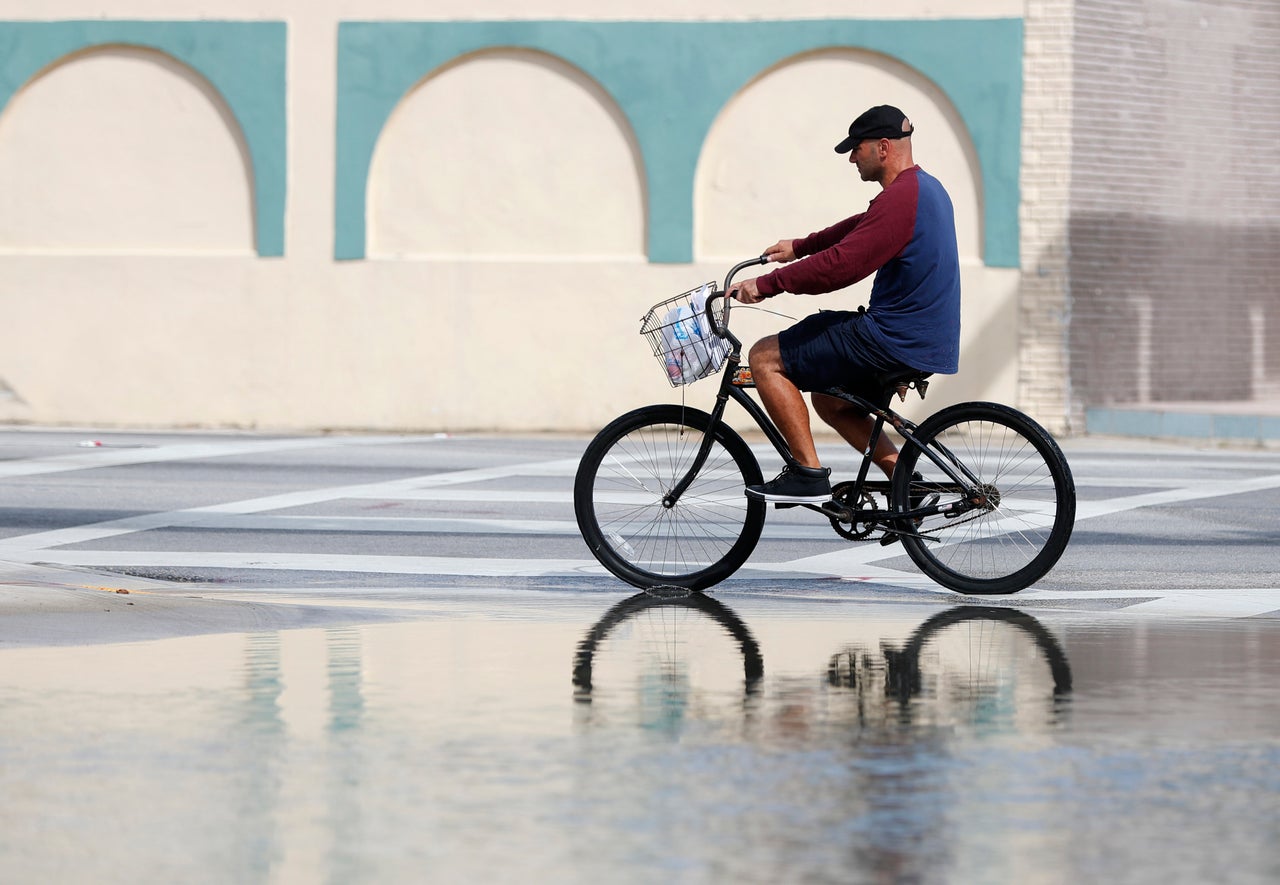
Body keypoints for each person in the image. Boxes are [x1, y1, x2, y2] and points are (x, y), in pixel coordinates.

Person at [728, 104, 961, 504]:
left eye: (857, 148)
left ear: (883, 147)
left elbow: (841, 266)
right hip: (921, 339)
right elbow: (860, 226)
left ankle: (807, 472)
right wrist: (798, 247)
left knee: (765, 357)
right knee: (830, 399)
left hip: (892, 338)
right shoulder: (922, 189)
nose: (853, 157)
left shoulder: (902, 198)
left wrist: (766, 285)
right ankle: (906, 480)